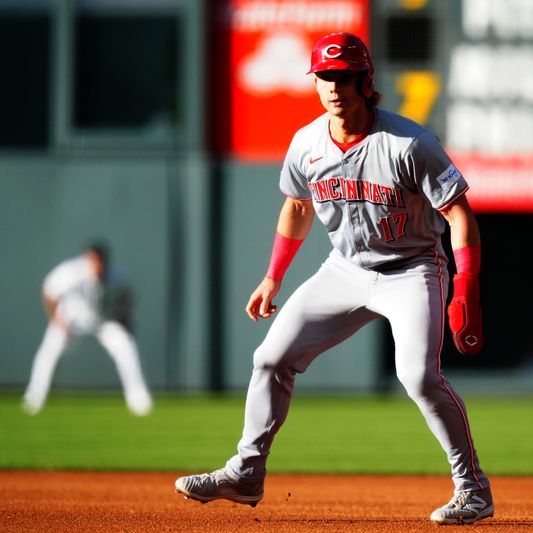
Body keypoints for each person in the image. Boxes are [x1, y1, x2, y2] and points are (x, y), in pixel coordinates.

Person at [175, 32, 492, 525]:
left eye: (343, 76)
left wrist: (466, 284)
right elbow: (298, 207)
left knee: (419, 376)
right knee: (269, 359)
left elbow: (458, 214)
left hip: (411, 269)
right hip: (345, 269)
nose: (333, 86)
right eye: (324, 76)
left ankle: (472, 490)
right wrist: (272, 277)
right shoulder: (306, 142)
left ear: (366, 82)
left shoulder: (410, 143)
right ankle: (246, 472)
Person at [22, 242, 153, 416]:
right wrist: (56, 320)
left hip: (103, 319)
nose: (96, 265)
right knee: (49, 352)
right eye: (92, 261)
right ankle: (34, 397)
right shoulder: (71, 272)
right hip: (71, 318)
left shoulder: (116, 272)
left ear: (105, 261)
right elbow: (49, 291)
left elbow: (128, 294)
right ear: (86, 259)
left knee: (125, 347)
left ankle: (138, 399)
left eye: (99, 261)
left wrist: (123, 318)